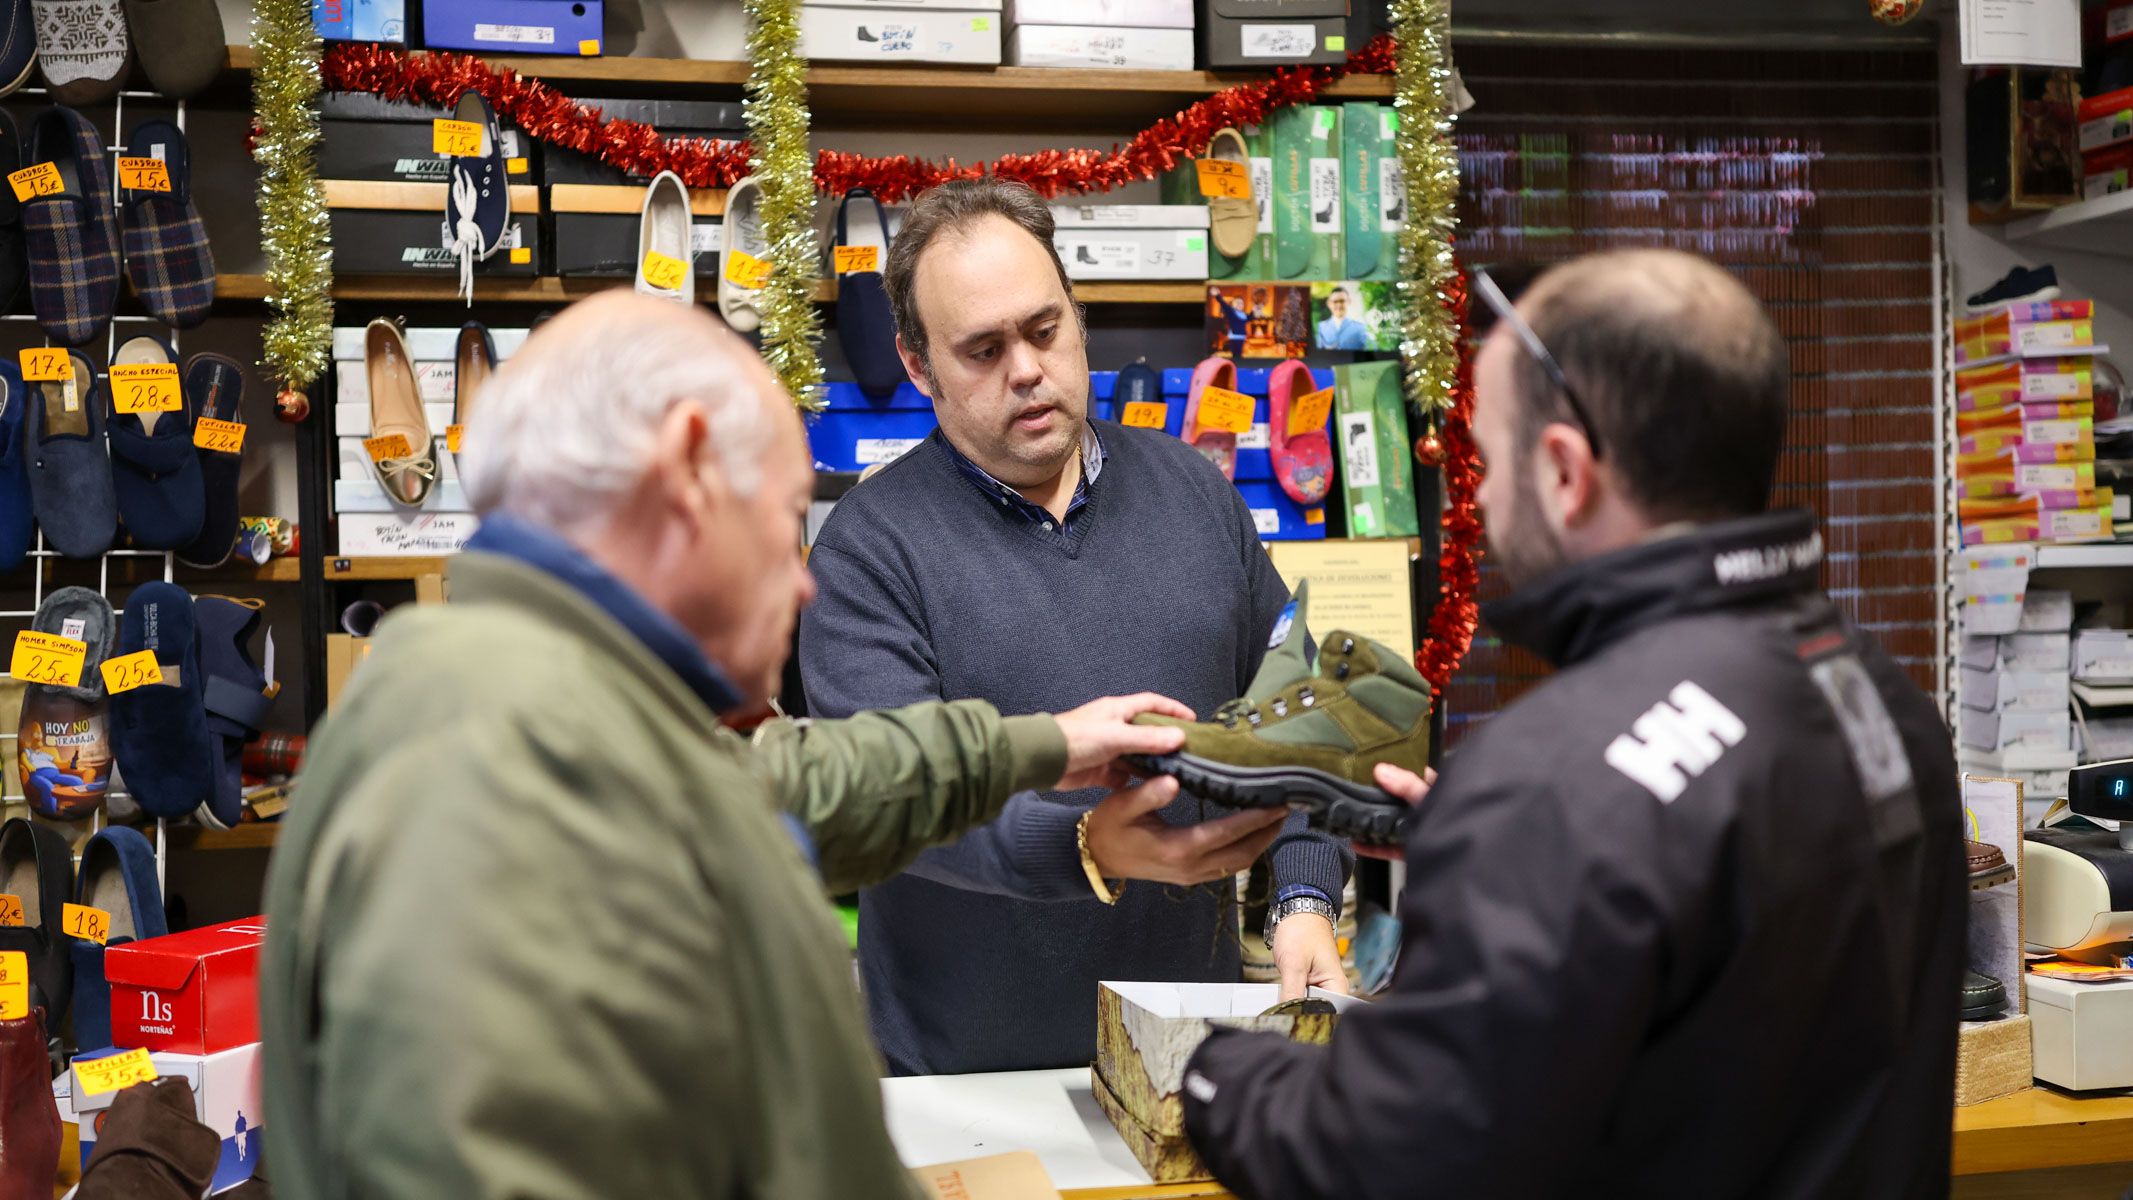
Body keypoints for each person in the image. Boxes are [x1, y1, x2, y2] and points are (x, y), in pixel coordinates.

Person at [257, 293, 1196, 1199]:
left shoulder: (566, 715)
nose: (802, 588)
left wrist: (1040, 747)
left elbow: (786, 786)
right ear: (691, 468)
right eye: (785, 520)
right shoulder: (489, 769)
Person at [1181, 249, 1965, 1197]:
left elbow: (1382, 1160)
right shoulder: (1877, 692)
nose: (1478, 491)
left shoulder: (1556, 780)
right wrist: (1488, 860)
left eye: (1486, 452)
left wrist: (1217, 1074)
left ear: (1561, 472)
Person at [800, 179, 1352, 1078]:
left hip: (1190, 1069)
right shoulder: (866, 552)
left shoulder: (1195, 495)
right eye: (981, 349)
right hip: (967, 1087)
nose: (1025, 368)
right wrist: (1083, 847)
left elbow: (1300, 708)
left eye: (1043, 329)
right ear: (916, 366)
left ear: (1076, 316)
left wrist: (1302, 897)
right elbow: (889, 801)